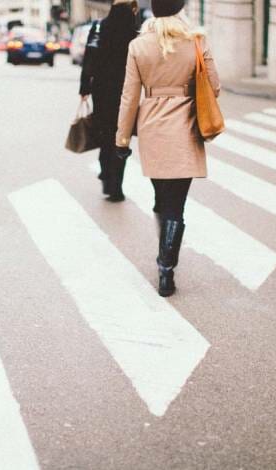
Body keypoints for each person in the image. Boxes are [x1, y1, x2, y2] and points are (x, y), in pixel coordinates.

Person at [114, 0, 219, 297]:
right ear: (180, 10)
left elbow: (129, 95)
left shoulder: (138, 46)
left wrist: (122, 139)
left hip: (152, 129)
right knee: (177, 204)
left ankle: (165, 259)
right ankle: (166, 267)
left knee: (162, 199)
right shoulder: (196, 41)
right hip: (185, 129)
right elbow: (215, 85)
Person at [79, 0, 139, 202]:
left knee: (106, 135)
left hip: (102, 91)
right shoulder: (134, 34)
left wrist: (84, 87)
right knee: (121, 139)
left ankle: (106, 175)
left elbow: (89, 58)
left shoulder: (98, 27)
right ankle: (116, 187)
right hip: (126, 94)